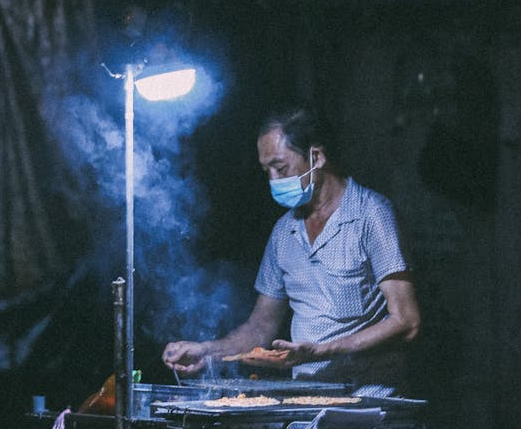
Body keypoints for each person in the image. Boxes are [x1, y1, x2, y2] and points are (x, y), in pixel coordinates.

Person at [162, 106, 420, 390]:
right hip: (306, 403)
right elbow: (261, 327)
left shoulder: (371, 215)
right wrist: (207, 351)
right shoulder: (285, 232)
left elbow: (406, 322)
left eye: (281, 167)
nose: (273, 180)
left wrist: (323, 351)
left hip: (370, 401)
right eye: (266, 170)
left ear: (316, 157)